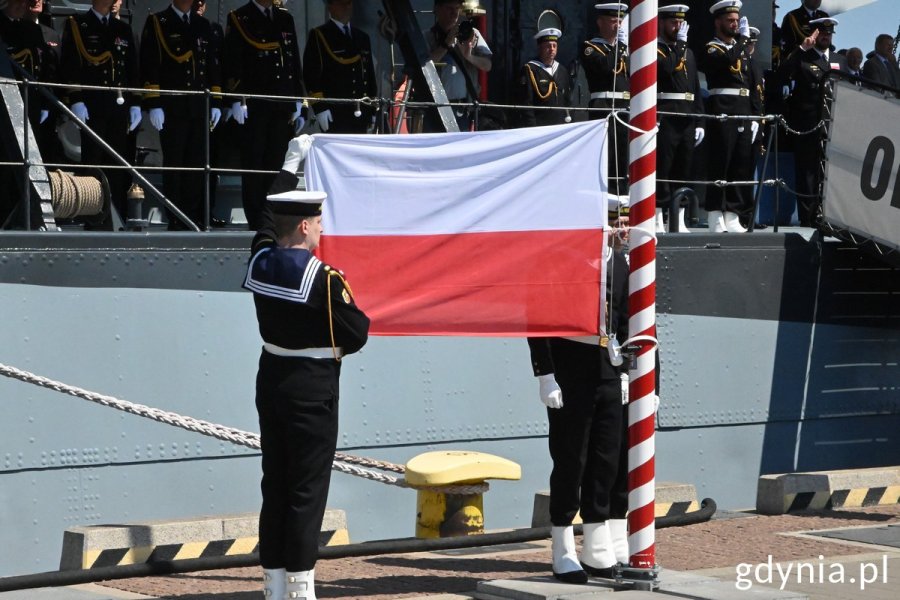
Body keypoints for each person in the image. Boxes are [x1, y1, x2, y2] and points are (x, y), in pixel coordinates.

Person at [243, 135, 370, 600]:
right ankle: (299, 586)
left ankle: (273, 583)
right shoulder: (324, 279)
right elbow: (357, 332)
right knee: (306, 489)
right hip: (313, 389)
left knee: (274, 482)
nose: (320, 229)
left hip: (271, 378)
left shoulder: (261, 258)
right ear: (301, 228)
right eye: (317, 222)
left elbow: (262, 222)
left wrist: (290, 161)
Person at [527, 197, 630, 584]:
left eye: (621, 222)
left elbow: (636, 322)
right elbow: (536, 320)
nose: (619, 230)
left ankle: (598, 547)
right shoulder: (560, 264)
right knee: (571, 460)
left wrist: (639, 378)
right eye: (612, 223)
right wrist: (545, 374)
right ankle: (562, 548)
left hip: (611, 370)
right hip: (571, 370)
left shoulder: (622, 266)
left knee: (607, 459)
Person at [140, 0, 223, 230]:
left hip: (198, 106)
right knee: (175, 164)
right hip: (172, 107)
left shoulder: (203, 25)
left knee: (197, 164)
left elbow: (211, 66)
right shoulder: (159, 21)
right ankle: (176, 215)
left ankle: (193, 214)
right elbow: (150, 62)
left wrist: (216, 100)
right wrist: (153, 101)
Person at [224, 0, 306, 230]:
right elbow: (233, 60)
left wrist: (299, 100)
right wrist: (236, 98)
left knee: (276, 163)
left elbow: (292, 60)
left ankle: (275, 217)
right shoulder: (241, 17)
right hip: (255, 106)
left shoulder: (284, 18)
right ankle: (257, 219)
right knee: (255, 166)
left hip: (281, 104)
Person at [60, 0, 141, 223]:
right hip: (92, 105)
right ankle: (92, 213)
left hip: (119, 105)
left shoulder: (123, 29)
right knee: (93, 160)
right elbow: (71, 63)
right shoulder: (78, 25)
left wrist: (135, 102)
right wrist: (75, 99)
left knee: (117, 161)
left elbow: (132, 68)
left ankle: (116, 213)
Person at [777, 17, 847, 227]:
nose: (825, 36)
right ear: (814, 34)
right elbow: (781, 74)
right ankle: (808, 218)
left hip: (834, 125)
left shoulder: (838, 60)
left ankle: (830, 217)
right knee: (807, 173)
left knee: (830, 172)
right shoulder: (802, 57)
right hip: (808, 125)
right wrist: (800, 48)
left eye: (829, 33)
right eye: (822, 33)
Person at [697, 0, 753, 233]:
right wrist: (741, 41)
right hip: (723, 108)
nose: (734, 25)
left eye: (736, 21)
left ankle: (732, 213)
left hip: (742, 109)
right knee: (721, 162)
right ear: (718, 21)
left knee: (740, 164)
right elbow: (726, 61)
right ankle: (714, 214)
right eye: (730, 21)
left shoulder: (738, 49)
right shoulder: (713, 48)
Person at [654, 4, 704, 233]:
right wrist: (681, 45)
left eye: (680, 23)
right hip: (667, 114)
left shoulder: (689, 53)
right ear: (661, 23)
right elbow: (666, 69)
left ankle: (679, 217)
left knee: (684, 169)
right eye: (673, 22)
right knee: (663, 168)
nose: (677, 27)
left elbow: (694, 88)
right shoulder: (657, 50)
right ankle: (657, 215)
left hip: (687, 116)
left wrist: (700, 121)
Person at [303, 0, 378, 134]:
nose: (347, 7)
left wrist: (372, 109)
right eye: (342, 3)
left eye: (349, 3)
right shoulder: (320, 35)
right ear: (331, 7)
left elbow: (369, 76)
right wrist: (320, 108)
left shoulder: (362, 37)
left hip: (361, 110)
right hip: (335, 112)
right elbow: (311, 75)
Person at [581, 3, 630, 197]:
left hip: (623, 108)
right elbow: (604, 67)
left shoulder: (621, 49)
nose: (617, 26)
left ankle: (621, 199)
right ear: (600, 22)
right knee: (606, 157)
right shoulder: (591, 48)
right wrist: (619, 47)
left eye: (619, 21)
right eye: (612, 21)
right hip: (603, 107)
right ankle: (605, 200)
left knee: (623, 158)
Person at [423, 0, 492, 131]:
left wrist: (469, 56)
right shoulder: (428, 36)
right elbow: (425, 66)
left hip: (463, 109)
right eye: (449, 8)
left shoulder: (471, 34)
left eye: (457, 8)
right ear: (437, 9)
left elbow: (487, 65)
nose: (454, 13)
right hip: (436, 106)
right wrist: (446, 44)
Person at [514, 27, 571, 128]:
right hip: (540, 126)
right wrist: (532, 127)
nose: (552, 49)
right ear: (540, 47)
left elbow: (567, 100)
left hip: (560, 126)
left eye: (554, 46)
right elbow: (527, 103)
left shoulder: (562, 70)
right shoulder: (530, 69)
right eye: (548, 46)